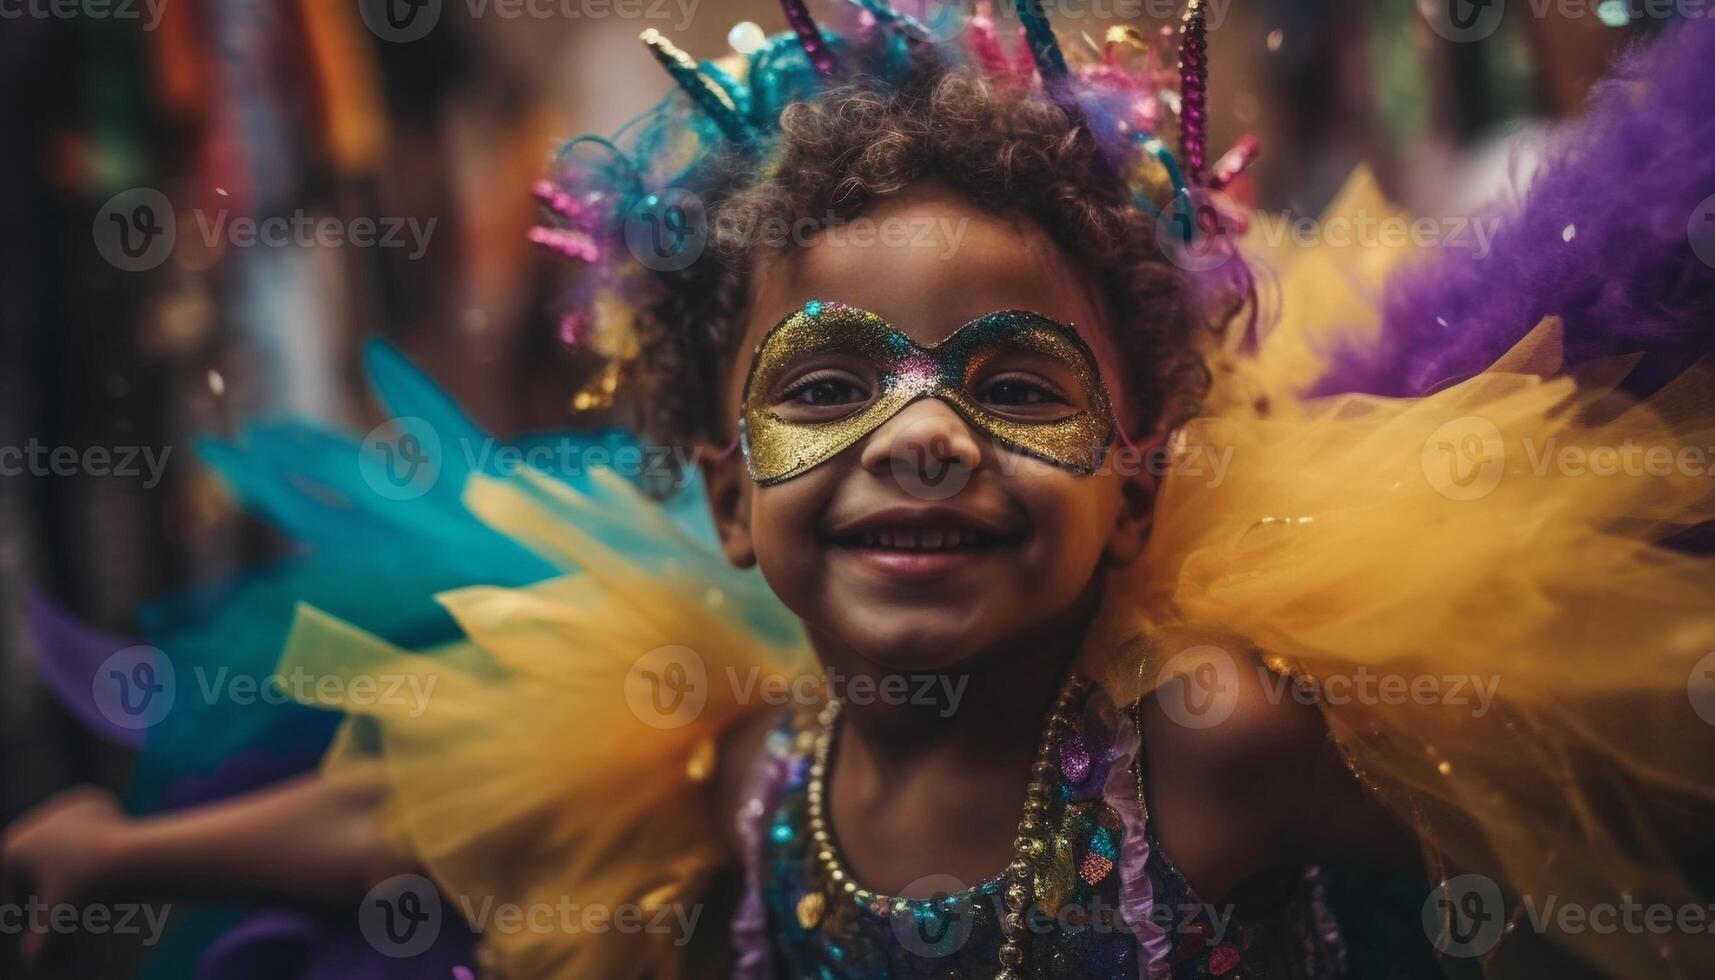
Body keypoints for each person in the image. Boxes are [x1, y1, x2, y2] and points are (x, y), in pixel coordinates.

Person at [7, 3, 1715, 978]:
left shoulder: (1209, 746)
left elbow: (1567, 794)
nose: (922, 435)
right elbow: (423, 825)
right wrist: (119, 853)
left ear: (1132, 491)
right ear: (730, 497)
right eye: (828, 386)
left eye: (1018, 385)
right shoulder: (744, 760)